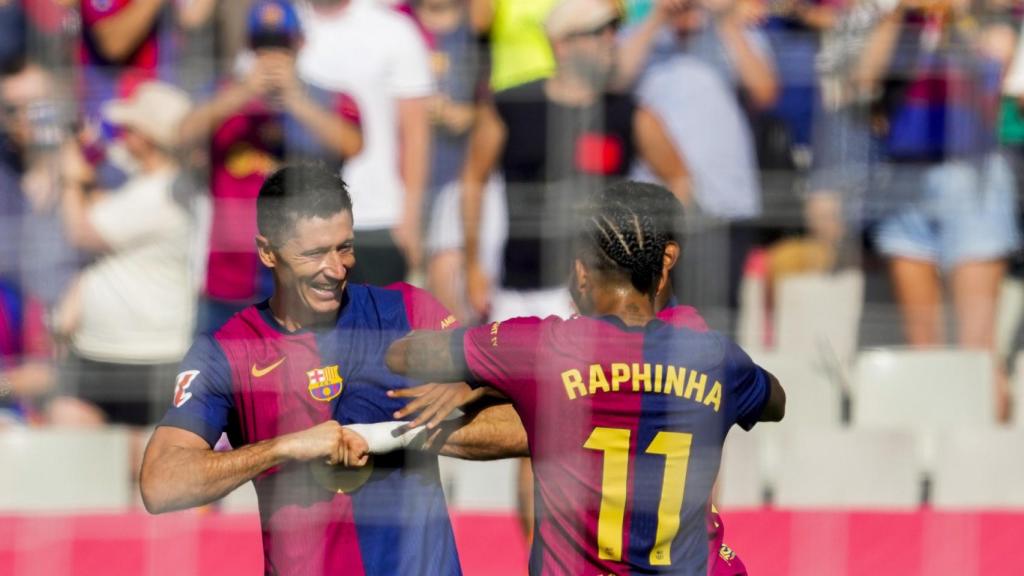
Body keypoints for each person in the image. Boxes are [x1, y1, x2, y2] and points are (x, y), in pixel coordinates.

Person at [386, 180, 785, 574]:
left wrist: (482, 379)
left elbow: (405, 355)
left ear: (580, 272)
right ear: (663, 266)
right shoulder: (714, 355)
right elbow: (775, 400)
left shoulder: (546, 347)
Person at [139, 164, 464, 575]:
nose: (336, 268)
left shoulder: (407, 312)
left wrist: (451, 403)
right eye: (314, 253)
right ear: (267, 251)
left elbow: (519, 410)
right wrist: (284, 447)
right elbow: (159, 484)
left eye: (344, 246)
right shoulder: (228, 351)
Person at [462, 0, 692, 323]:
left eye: (615, 30)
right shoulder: (511, 107)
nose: (611, 40)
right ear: (563, 44)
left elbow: (680, 177)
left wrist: (652, 255)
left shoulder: (628, 114)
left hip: (598, 296)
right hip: (519, 291)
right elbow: (473, 180)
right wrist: (472, 265)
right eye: (598, 32)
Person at [179, 0, 364, 333]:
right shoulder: (225, 95)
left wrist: (295, 100)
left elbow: (352, 144)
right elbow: (181, 134)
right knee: (219, 382)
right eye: (263, 45)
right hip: (231, 279)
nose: (272, 55)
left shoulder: (326, 97)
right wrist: (243, 94)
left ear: (300, 44)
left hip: (306, 279)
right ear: (249, 48)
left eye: (281, 45)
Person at [56, 81, 200, 428]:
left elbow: (80, 232)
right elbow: (108, 162)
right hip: (105, 350)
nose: (119, 134)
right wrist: (89, 150)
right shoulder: (153, 180)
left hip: (144, 356)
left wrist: (71, 180)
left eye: (128, 128)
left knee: (138, 471)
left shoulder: (161, 194)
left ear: (145, 138)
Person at [297, 0, 434, 284]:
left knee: (376, 327)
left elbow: (415, 132)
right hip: (296, 225)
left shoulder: (394, 30)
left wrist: (410, 218)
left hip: (376, 218)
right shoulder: (276, 21)